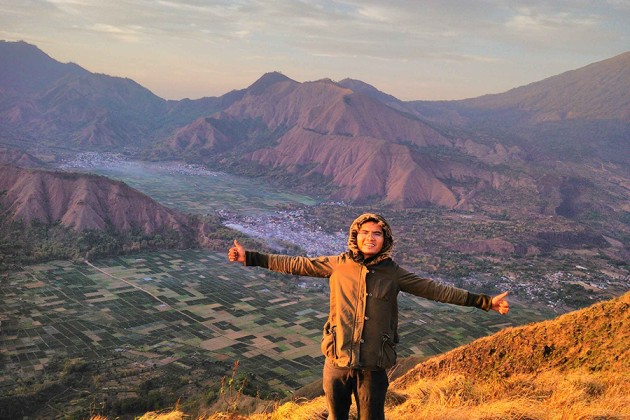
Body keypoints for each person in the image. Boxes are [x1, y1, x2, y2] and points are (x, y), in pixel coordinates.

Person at [228, 213, 509, 420]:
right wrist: (249, 257)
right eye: (365, 232)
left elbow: (436, 290)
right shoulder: (338, 265)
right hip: (337, 361)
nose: (370, 237)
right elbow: (295, 264)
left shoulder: (394, 274)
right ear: (355, 236)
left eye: (377, 233)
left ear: (385, 239)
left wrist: (484, 301)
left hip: (373, 367)